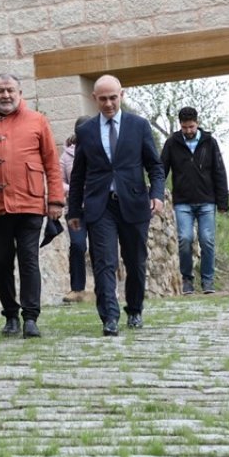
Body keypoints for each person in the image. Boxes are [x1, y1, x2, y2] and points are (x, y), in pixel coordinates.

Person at [0, 74, 64, 339]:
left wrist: (54, 200)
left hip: (29, 204)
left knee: (29, 260)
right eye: (0, 91)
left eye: (10, 90)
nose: (5, 95)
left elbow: (52, 163)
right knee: (0, 262)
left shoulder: (38, 121)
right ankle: (10, 315)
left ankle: (31, 317)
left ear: (19, 92)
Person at [67, 75, 165, 336]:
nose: (108, 103)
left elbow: (155, 166)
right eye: (103, 99)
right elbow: (77, 175)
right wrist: (74, 210)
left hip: (134, 203)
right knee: (104, 262)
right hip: (100, 207)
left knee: (135, 261)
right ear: (94, 99)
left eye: (113, 97)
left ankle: (134, 310)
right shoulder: (85, 131)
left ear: (122, 95)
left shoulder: (139, 126)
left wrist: (157, 194)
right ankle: (109, 317)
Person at [160, 106, 229, 295]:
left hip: (207, 200)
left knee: (207, 240)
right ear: (180, 125)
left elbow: (219, 171)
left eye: (191, 127)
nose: (188, 131)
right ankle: (187, 279)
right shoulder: (172, 143)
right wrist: (155, 193)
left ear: (197, 123)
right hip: (183, 202)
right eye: (185, 127)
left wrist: (222, 202)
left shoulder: (209, 142)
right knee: (184, 239)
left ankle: (208, 281)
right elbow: (161, 169)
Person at [59, 115, 94, 303]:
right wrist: (75, 188)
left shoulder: (99, 149)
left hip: (98, 208)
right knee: (78, 245)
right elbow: (59, 182)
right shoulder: (66, 156)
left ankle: (104, 287)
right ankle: (77, 289)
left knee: (100, 248)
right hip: (75, 210)